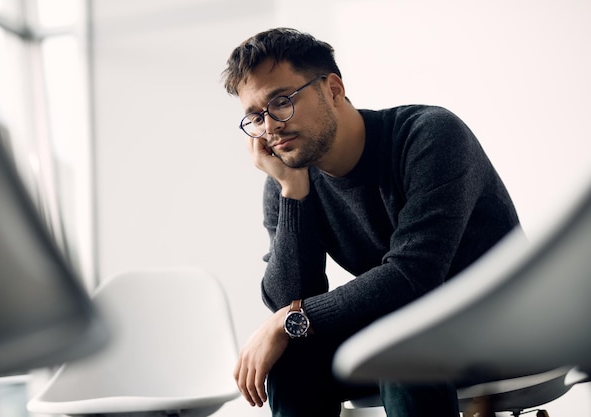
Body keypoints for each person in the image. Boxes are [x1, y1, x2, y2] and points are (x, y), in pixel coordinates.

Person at [221, 27, 519, 417]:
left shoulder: (429, 135)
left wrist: (290, 319)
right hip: (408, 329)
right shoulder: (288, 179)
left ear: (333, 89)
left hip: (507, 328)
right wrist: (292, 190)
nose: (270, 127)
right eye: (255, 117)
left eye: (281, 101)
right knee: (292, 361)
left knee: (399, 347)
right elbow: (289, 298)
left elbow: (413, 277)